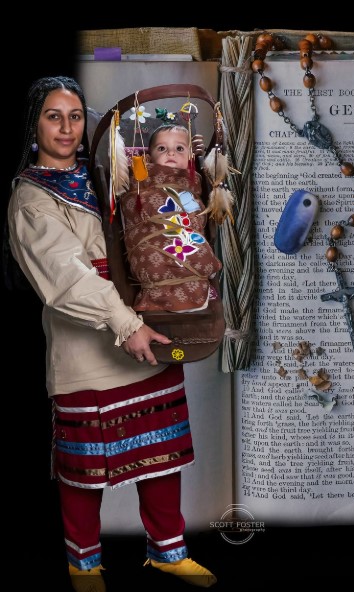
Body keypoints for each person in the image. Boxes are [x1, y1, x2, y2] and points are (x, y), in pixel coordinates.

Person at [7, 77, 217, 591]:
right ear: (34, 124)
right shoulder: (32, 199)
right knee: (85, 469)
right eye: (54, 116)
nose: (66, 127)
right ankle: (85, 565)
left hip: (145, 324)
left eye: (75, 116)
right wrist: (127, 324)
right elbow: (66, 280)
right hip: (93, 344)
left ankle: (168, 552)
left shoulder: (102, 174)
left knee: (161, 449)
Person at [120, 124, 222, 313]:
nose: (171, 153)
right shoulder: (142, 182)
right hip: (154, 236)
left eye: (179, 149)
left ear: (190, 157)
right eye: (162, 148)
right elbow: (134, 209)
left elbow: (197, 215)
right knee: (153, 263)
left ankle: (197, 284)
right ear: (149, 158)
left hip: (183, 232)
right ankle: (160, 287)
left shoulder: (192, 182)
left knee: (199, 251)